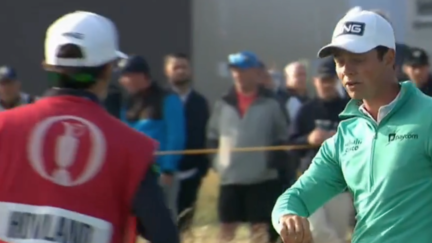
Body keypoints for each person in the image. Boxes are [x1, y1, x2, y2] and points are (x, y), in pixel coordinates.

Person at [0, 11, 179, 243]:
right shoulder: (133, 148)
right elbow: (164, 234)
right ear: (107, 69)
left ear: (47, 66)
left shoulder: (3, 127)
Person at [273, 9, 432, 243]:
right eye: (339, 61)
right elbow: (295, 197)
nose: (346, 70)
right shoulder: (345, 136)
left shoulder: (428, 116)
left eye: (357, 60)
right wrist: (288, 216)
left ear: (389, 58)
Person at [207, 51, 290, 243]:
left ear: (256, 72)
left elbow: (282, 136)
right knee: (226, 228)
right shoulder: (223, 103)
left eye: (243, 70)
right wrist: (217, 163)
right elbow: (212, 135)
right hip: (230, 178)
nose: (238, 75)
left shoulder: (272, 103)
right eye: (234, 70)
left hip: (262, 178)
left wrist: (273, 162)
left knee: (259, 229)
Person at [290, 57, 351, 243]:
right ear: (315, 81)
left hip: (341, 182)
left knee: (338, 233)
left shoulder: (350, 108)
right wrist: (308, 139)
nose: (326, 85)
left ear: (337, 80)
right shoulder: (305, 110)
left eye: (330, 80)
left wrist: (339, 137)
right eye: (322, 80)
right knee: (316, 231)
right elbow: (291, 143)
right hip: (311, 179)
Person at [119, 55, 186, 218]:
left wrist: (169, 169)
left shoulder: (167, 98)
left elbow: (176, 136)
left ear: (141, 76)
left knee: (163, 219)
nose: (123, 81)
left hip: (160, 173)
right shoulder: (128, 103)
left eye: (126, 76)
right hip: (133, 173)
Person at [164, 52, 210, 232]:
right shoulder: (160, 100)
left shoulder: (199, 102)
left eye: (184, 67)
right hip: (165, 173)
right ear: (167, 71)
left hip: (192, 171)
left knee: (186, 221)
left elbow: (205, 134)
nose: (180, 71)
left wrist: (202, 166)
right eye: (176, 67)